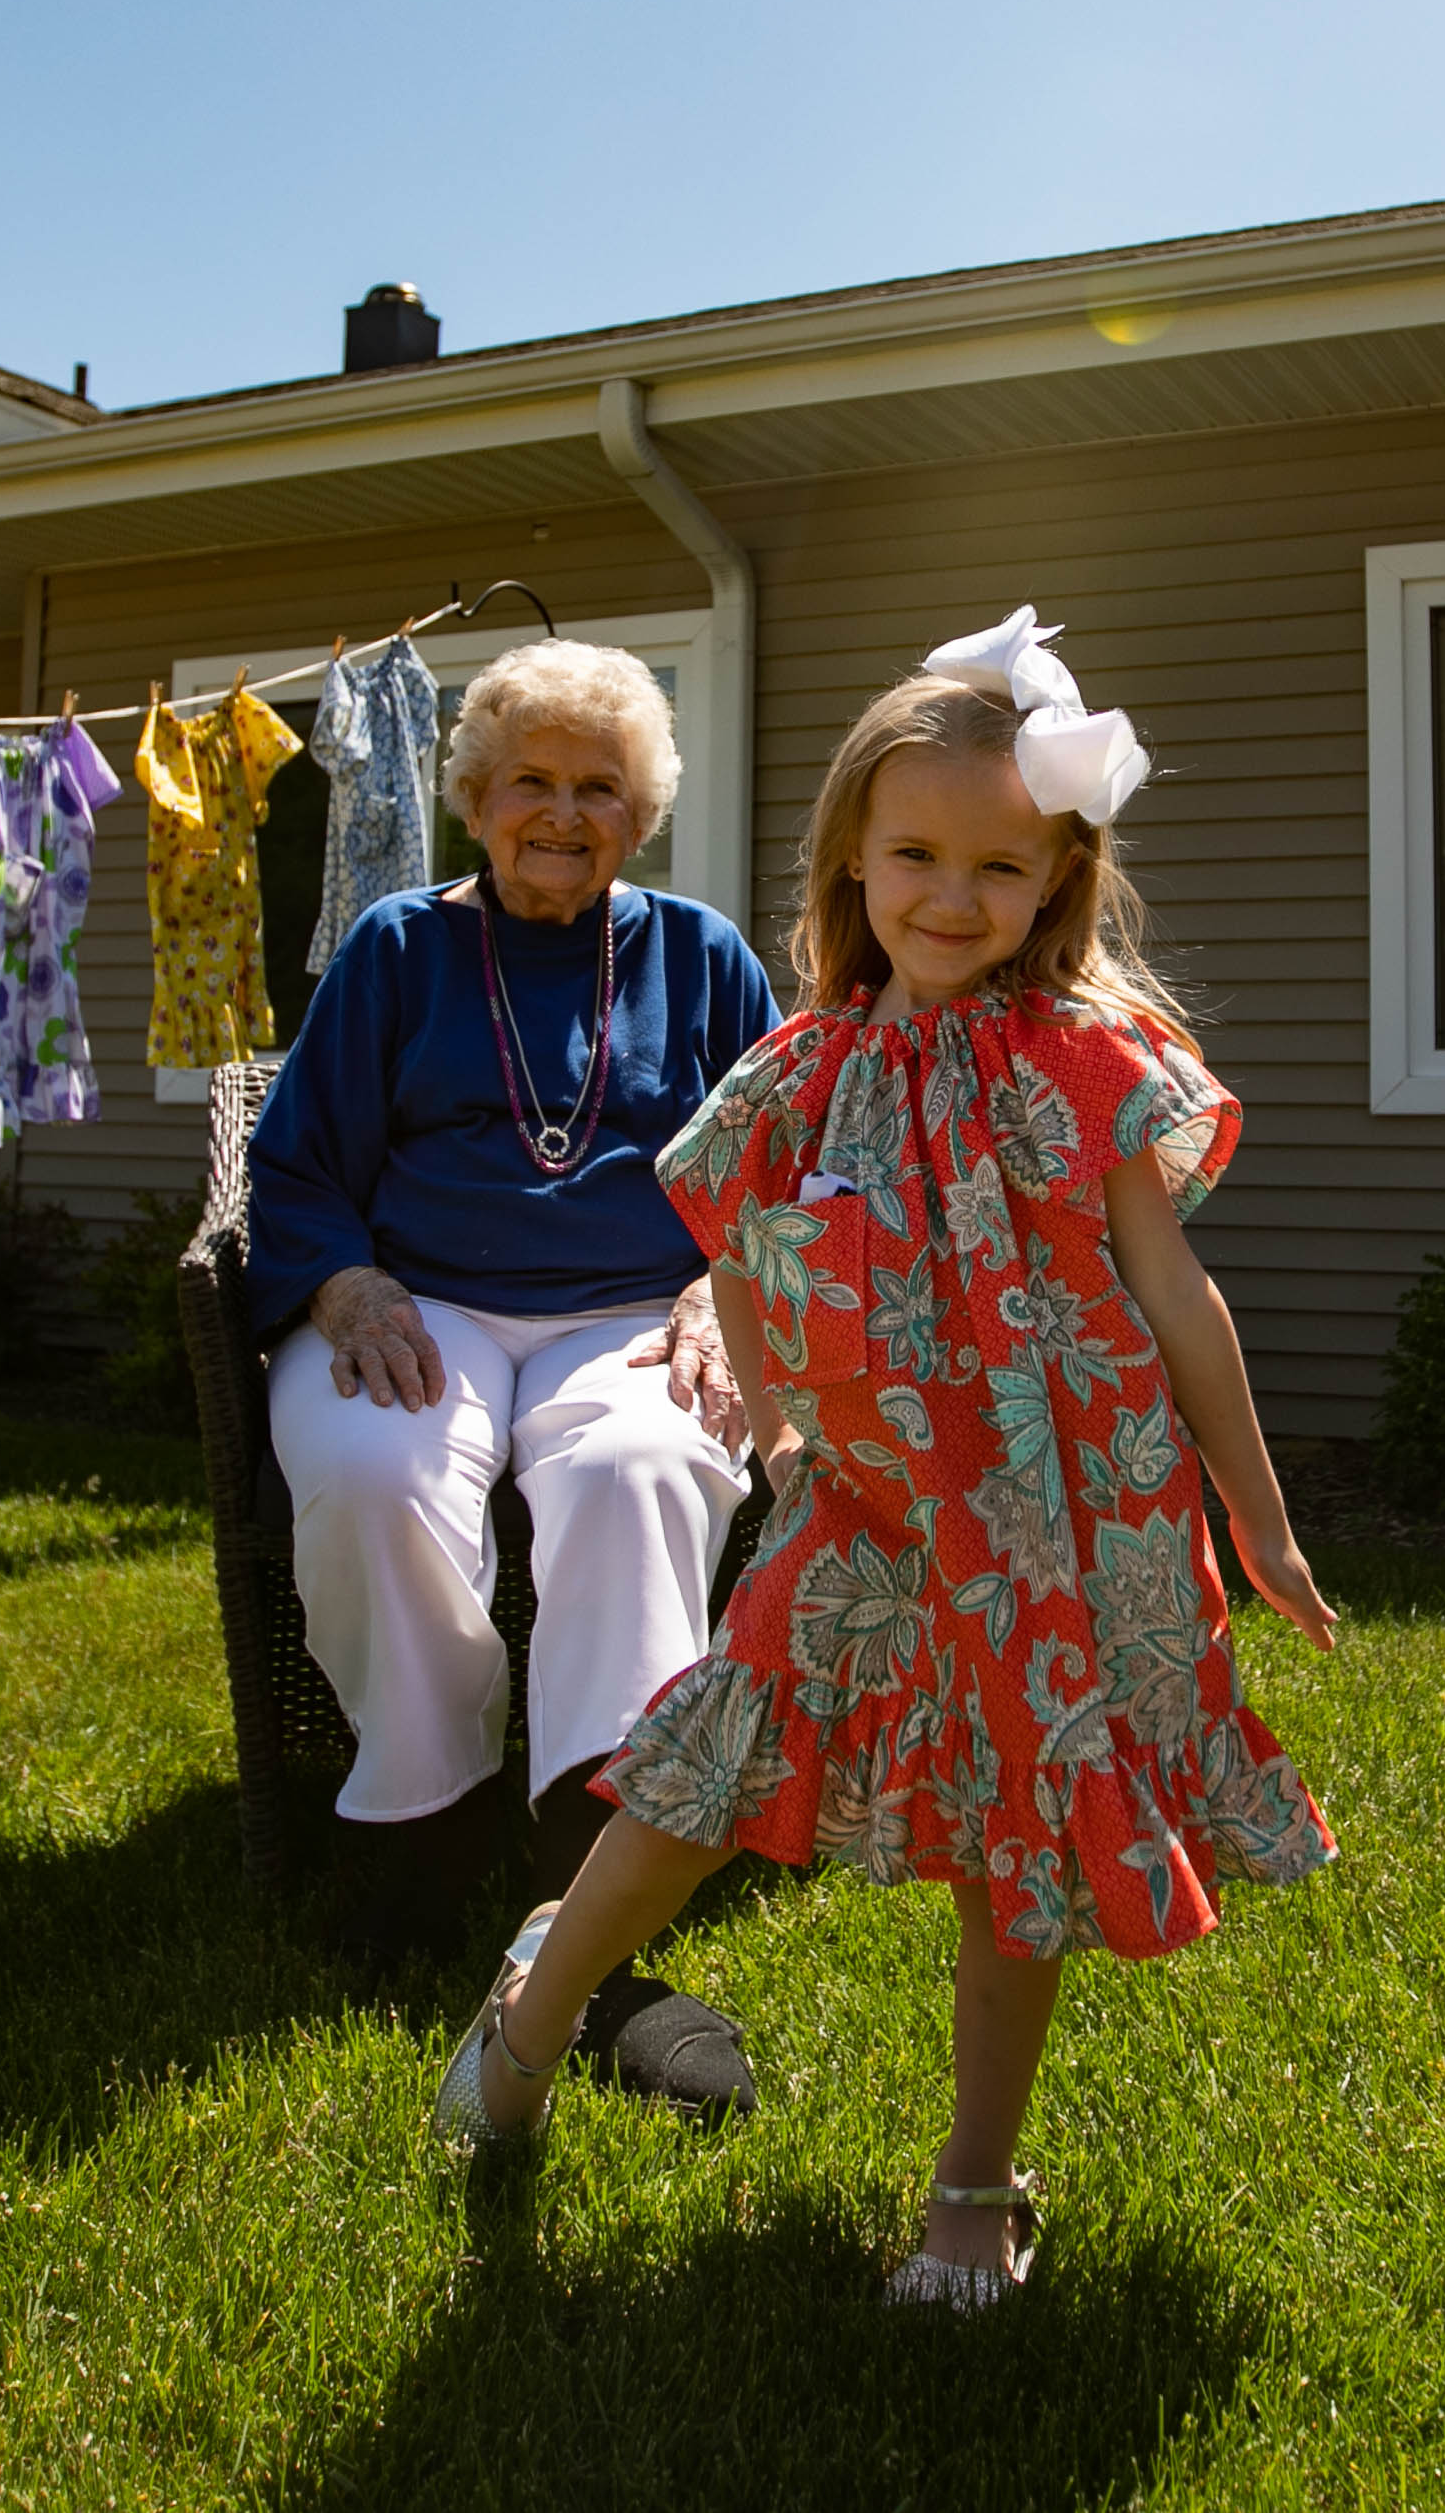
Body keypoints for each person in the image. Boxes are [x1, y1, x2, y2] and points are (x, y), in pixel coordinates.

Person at [428, 609, 1342, 2312]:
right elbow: (747, 1260)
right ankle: (541, 2000)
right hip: (871, 1508)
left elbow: (1176, 1295)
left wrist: (1254, 1514)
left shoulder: (1092, 1067)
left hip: (1074, 1514)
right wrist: (778, 1431)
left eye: (999, 867)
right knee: (712, 1766)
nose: (949, 896)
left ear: (1057, 880)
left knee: (1030, 1823)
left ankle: (975, 2183)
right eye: (914, 853)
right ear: (851, 855)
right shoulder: (796, 1076)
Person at [243, 636, 779, 2111]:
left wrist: (720, 1300)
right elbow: (289, 1163)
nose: (560, 813)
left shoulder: (700, 955)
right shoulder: (399, 946)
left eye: (596, 787)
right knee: (373, 1471)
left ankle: (590, 1904)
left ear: (639, 812)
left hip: (636, 1311)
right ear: (473, 798)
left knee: (646, 1466)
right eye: (529, 781)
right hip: (421, 1300)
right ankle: (418, 1830)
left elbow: (776, 1172)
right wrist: (345, 1283)